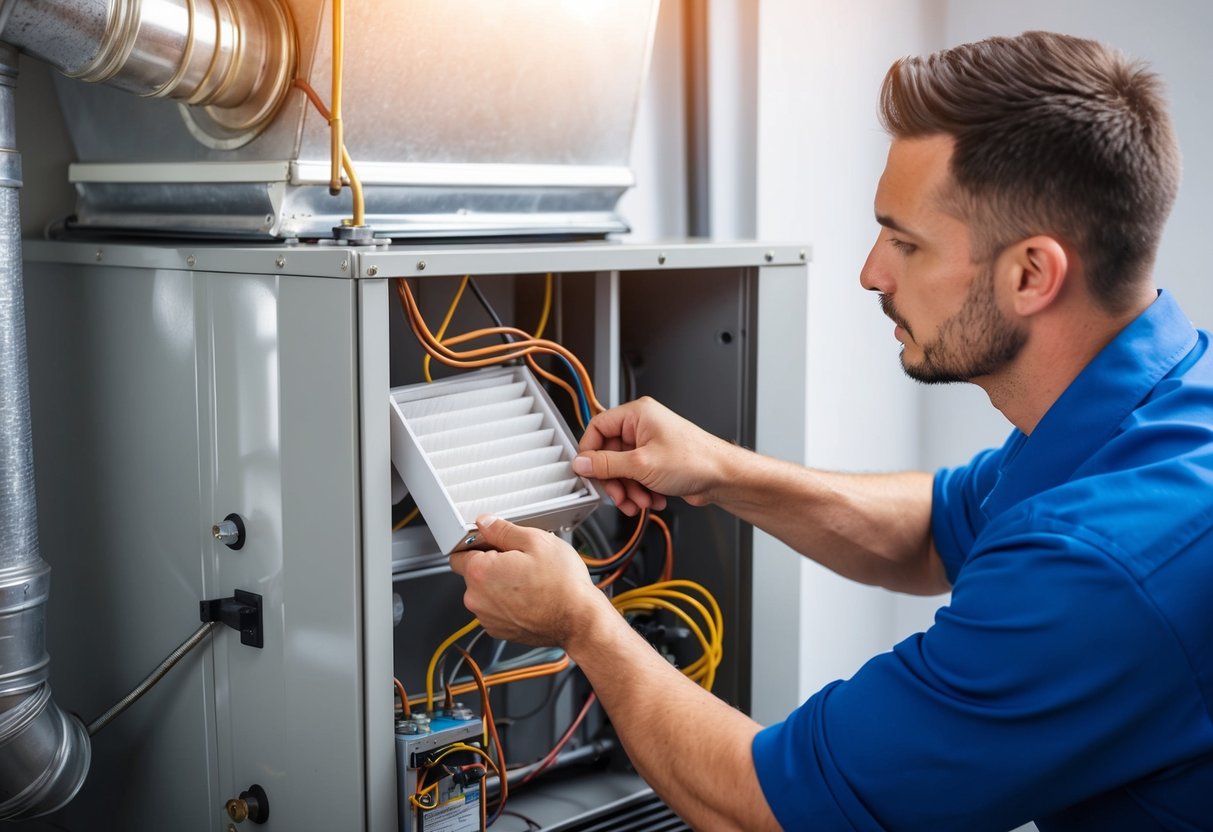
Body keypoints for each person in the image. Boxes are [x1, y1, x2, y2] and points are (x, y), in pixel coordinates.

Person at [449, 30, 1213, 831]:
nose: (871, 272)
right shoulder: (1151, 411)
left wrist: (581, 623)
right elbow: (930, 532)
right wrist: (720, 471)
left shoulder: (1101, 565)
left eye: (906, 242)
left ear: (1030, 274)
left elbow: (774, 814)